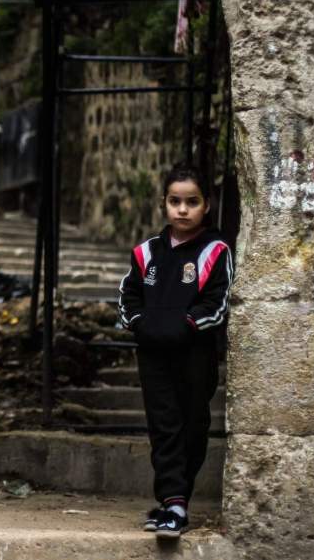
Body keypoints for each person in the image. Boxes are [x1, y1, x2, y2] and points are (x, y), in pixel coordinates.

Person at [118, 164, 233, 539]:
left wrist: (185, 325)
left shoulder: (215, 251)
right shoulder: (146, 253)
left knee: (192, 425)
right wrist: (141, 323)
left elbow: (217, 303)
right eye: (175, 201)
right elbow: (129, 296)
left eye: (192, 202)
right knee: (164, 426)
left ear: (207, 205)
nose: (182, 210)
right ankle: (174, 504)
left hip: (194, 356)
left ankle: (175, 501)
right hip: (153, 356)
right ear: (164, 203)